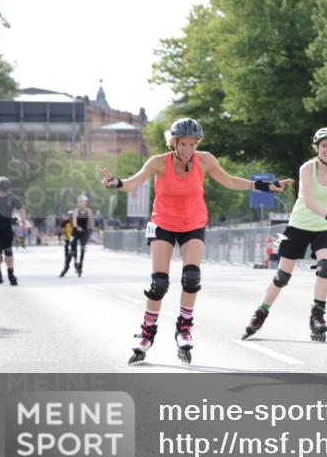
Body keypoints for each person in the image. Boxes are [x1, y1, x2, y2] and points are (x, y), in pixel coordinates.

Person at [100, 118, 290, 365]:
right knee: (159, 283)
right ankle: (146, 333)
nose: (188, 149)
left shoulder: (205, 160)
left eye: (193, 144)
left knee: (191, 277)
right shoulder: (158, 162)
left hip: (193, 224)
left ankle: (184, 329)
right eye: (183, 144)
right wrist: (116, 183)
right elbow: (134, 182)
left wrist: (263, 185)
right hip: (163, 224)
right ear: (173, 142)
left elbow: (230, 180)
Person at [242, 127, 327, 343]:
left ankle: (317, 315)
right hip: (300, 225)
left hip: (323, 227)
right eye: (324, 146)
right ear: (317, 148)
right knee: (282, 277)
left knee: (326, 267)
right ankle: (260, 313)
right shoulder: (307, 168)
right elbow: (309, 201)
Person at [64, 193, 94, 276]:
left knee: (83, 248)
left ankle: (80, 264)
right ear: (78, 203)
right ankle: (75, 262)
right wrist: (77, 226)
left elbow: (91, 222)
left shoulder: (89, 211)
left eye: (84, 202)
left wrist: (91, 230)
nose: (83, 203)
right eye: (81, 202)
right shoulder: (76, 211)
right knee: (72, 250)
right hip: (76, 231)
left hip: (84, 231)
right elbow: (74, 221)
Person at [58, 212, 76, 277]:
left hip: (72, 238)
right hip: (66, 238)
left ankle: (75, 263)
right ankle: (66, 259)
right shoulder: (65, 222)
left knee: (73, 251)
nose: (71, 218)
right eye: (70, 216)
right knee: (66, 249)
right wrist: (62, 235)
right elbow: (61, 229)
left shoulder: (75, 222)